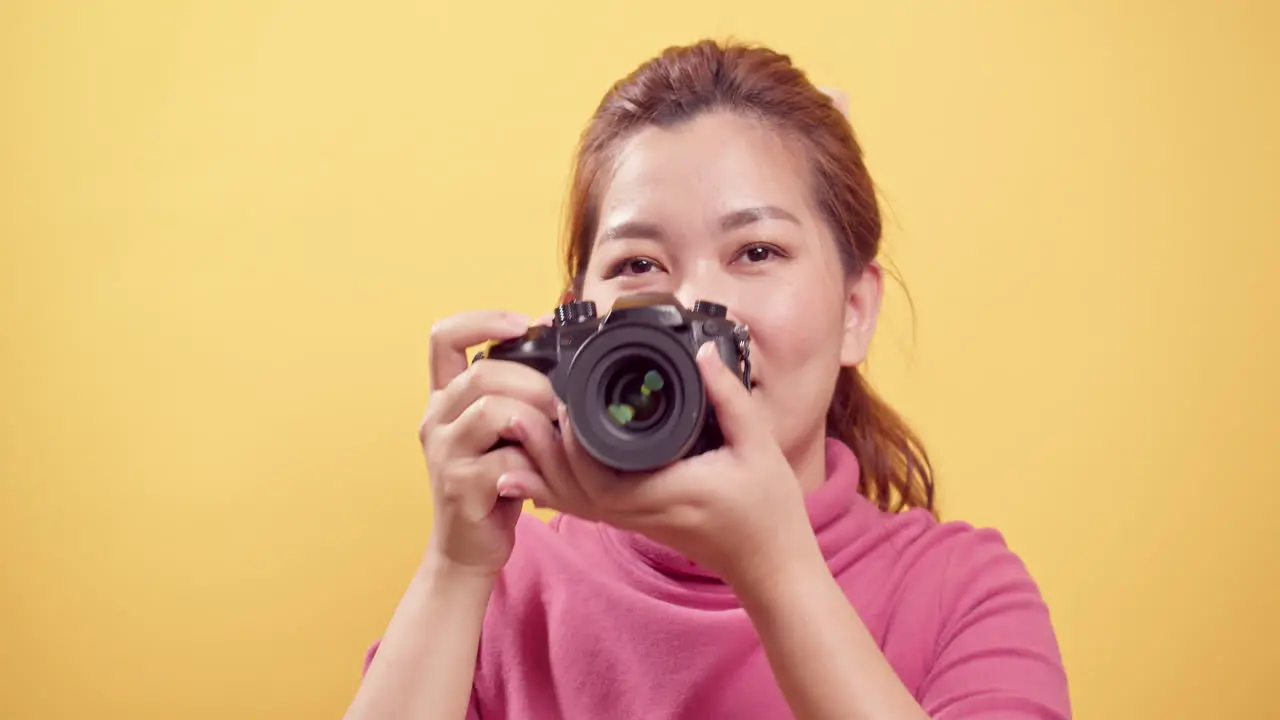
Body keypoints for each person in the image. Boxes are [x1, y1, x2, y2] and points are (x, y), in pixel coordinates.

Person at [344, 39, 1071, 720]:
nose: (690, 308)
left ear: (854, 310)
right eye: (637, 266)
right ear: (573, 321)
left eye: (756, 251)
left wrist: (776, 570)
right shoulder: (501, 583)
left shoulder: (960, 593)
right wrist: (453, 567)